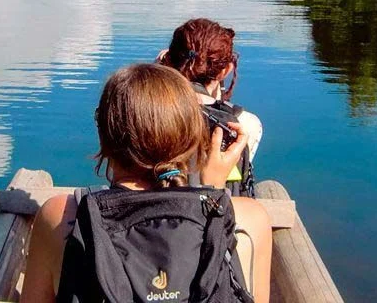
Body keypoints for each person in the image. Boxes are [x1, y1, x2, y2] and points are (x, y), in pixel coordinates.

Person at [20, 63, 271, 303]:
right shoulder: (250, 219)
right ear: (192, 137)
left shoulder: (61, 217)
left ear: (104, 134)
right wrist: (213, 193)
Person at [158, 18, 263, 196]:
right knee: (271, 187)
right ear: (225, 70)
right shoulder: (245, 123)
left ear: (168, 60)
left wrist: (158, 72)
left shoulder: (144, 109)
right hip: (218, 209)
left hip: (150, 211)